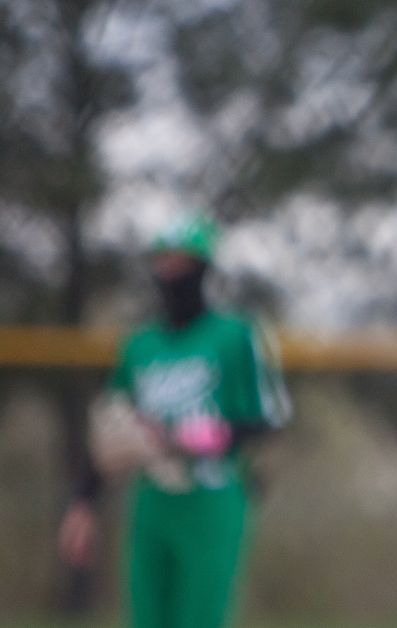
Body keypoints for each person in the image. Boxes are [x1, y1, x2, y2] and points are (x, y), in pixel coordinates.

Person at [58, 213, 290, 628]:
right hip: (152, 498)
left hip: (212, 497)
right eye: (163, 265)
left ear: (202, 270)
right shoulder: (140, 344)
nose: (171, 275)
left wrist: (207, 435)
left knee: (200, 618)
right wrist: (83, 501)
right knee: (147, 619)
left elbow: (268, 417)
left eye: (183, 265)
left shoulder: (236, 336)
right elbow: (113, 432)